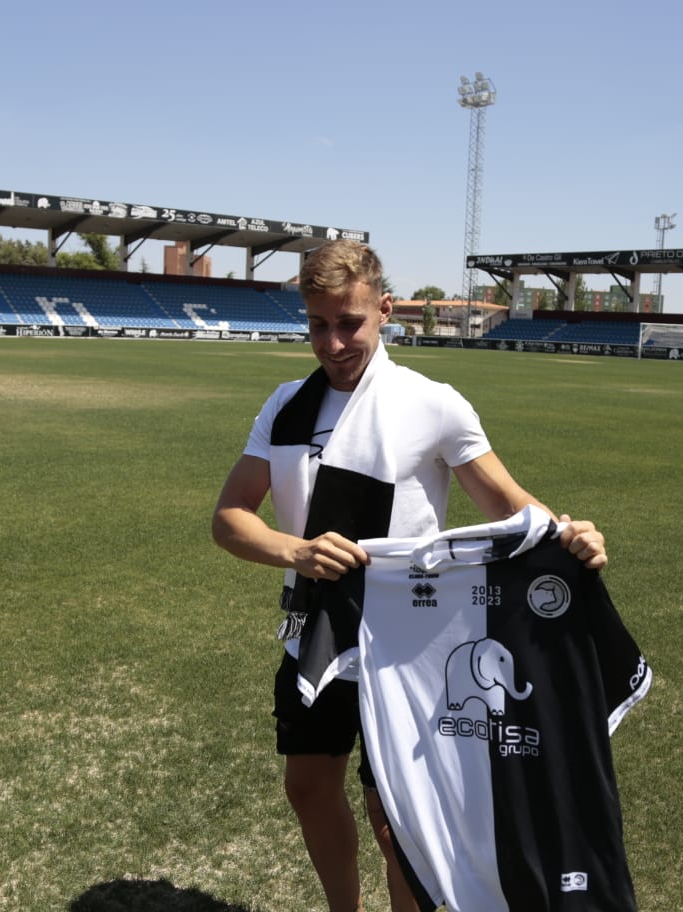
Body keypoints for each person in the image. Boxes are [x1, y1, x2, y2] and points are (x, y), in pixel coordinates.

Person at [211, 239, 608, 912]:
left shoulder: (433, 404)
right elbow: (229, 517)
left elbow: (508, 506)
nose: (333, 343)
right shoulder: (285, 405)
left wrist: (570, 533)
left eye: (350, 323)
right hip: (314, 630)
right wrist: (295, 551)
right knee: (307, 787)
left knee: (396, 821)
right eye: (317, 324)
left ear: (386, 310)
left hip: (407, 644)